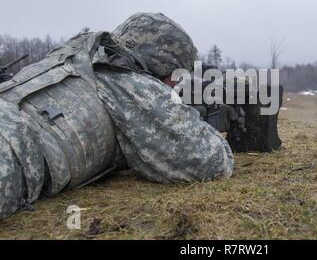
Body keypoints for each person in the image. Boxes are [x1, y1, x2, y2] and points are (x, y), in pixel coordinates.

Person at [0, 12, 234, 220]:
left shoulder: (70, 61)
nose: (175, 85)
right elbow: (212, 162)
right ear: (163, 66)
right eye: (177, 77)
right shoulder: (132, 85)